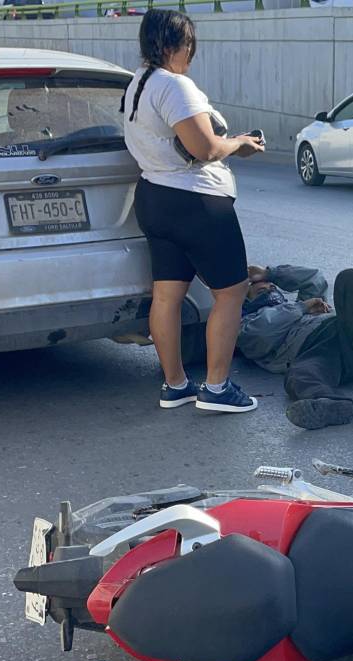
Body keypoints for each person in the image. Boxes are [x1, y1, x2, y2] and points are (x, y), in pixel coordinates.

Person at [123, 9, 266, 414]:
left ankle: (175, 385)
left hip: (154, 196)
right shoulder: (174, 86)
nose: (191, 54)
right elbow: (204, 149)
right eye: (189, 46)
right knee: (232, 291)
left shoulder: (138, 83)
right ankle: (217, 388)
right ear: (174, 45)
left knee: (166, 295)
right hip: (196, 202)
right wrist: (238, 144)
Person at [238, 265, 353, 430]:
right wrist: (302, 307)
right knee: (299, 376)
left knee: (350, 276)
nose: (269, 287)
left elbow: (314, 278)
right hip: (316, 352)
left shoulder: (303, 305)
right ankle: (332, 404)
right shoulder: (246, 325)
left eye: (271, 285)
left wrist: (270, 273)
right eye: (258, 287)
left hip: (349, 332)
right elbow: (263, 333)